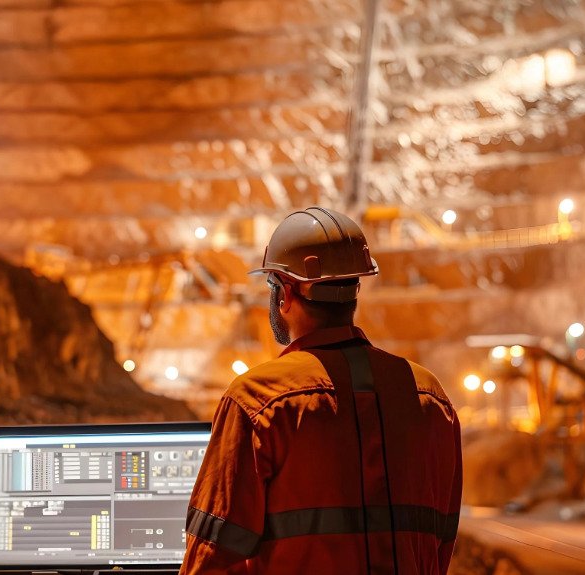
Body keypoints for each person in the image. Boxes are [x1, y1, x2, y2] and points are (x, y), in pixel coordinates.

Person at [180, 207, 463, 575]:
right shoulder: (431, 398)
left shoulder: (258, 400)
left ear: (284, 292)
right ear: (354, 290)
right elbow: (439, 546)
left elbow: (210, 561)